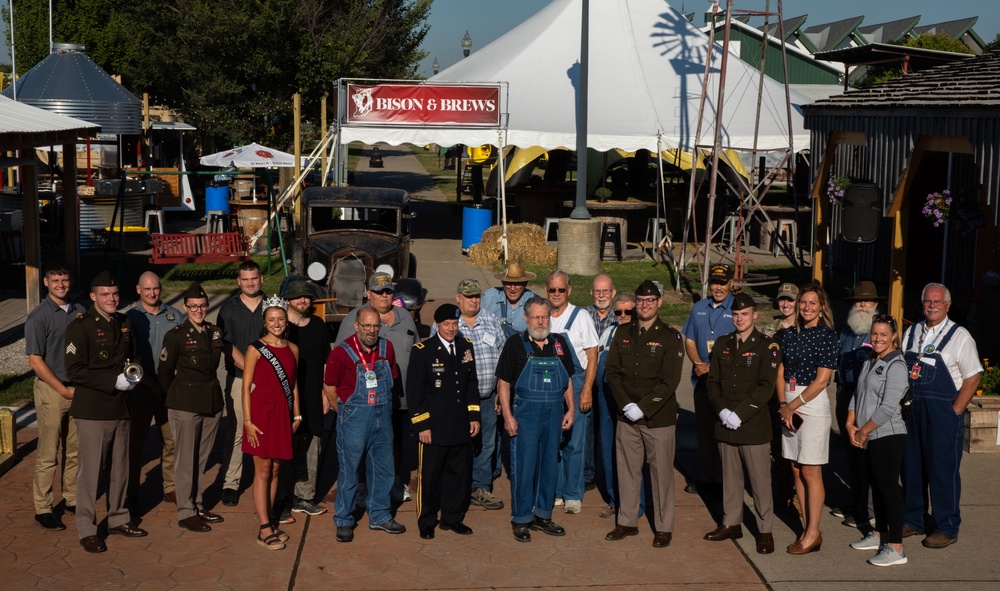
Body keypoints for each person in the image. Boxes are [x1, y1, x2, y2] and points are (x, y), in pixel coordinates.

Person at [65, 271, 147, 554]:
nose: (111, 299)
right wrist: (113, 381)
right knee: (90, 475)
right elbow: (74, 370)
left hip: (121, 407)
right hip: (93, 409)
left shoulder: (124, 323)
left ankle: (118, 518)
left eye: (114, 294)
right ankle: (87, 529)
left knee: (120, 469)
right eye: (105, 294)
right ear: (93, 297)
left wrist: (133, 375)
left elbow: (134, 355)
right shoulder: (81, 327)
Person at [900, 283, 982, 549]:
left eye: (937, 301)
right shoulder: (912, 331)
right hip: (913, 411)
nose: (932, 305)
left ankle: (946, 526)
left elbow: (973, 376)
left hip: (943, 412)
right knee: (912, 467)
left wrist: (955, 410)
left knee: (942, 470)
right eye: (928, 301)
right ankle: (914, 519)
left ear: (947, 305)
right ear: (922, 303)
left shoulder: (960, 337)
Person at [604, 280, 685, 549]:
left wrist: (644, 407)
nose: (645, 305)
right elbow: (612, 372)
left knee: (661, 473)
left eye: (650, 300)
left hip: (657, 418)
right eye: (640, 300)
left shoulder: (670, 337)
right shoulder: (623, 332)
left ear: (660, 302)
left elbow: (670, 381)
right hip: (627, 416)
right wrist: (626, 404)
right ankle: (626, 521)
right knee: (627, 470)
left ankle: (664, 527)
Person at [704, 293, 781, 555]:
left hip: (753, 426)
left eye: (745, 314)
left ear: (755, 315)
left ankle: (765, 530)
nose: (739, 318)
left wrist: (740, 413)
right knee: (730, 479)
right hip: (726, 423)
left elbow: (765, 387)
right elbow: (712, 381)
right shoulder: (723, 344)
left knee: (760, 483)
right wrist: (723, 411)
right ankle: (731, 523)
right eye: (736, 314)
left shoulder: (767, 346)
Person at [496, 296, 575, 542]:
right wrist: (508, 416)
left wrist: (570, 409)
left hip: (553, 414)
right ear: (526, 318)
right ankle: (521, 519)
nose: (540, 322)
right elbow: (504, 383)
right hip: (525, 415)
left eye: (544, 317)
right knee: (524, 467)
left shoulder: (559, 343)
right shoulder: (515, 344)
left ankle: (543, 515)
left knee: (549, 466)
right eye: (535, 317)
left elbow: (568, 380)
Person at [336, 272, 419, 502]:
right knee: (363, 444)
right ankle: (362, 485)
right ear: (368, 293)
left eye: (388, 291)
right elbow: (341, 357)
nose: (384, 295)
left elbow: (418, 351)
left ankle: (393, 481)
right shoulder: (355, 318)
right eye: (379, 291)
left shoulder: (406, 316)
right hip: (366, 399)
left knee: (398, 442)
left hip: (401, 397)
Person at [326, 306, 407, 542]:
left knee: (384, 468)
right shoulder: (341, 353)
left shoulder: (386, 347)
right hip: (354, 419)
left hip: (383, 416)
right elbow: (330, 387)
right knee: (349, 471)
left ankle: (380, 515)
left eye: (375, 326)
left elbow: (392, 381)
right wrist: (343, 413)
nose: (371, 331)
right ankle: (344, 519)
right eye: (366, 326)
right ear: (356, 326)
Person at [407, 304, 481, 539]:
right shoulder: (423, 350)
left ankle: (452, 517)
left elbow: (471, 384)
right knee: (429, 477)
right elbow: (415, 391)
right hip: (434, 427)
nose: (451, 328)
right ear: (437, 324)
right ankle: (426, 520)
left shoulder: (465, 347)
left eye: (454, 324)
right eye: (446, 324)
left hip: (459, 424)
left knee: (458, 475)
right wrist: (422, 425)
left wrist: (474, 416)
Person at [158, 283, 226, 533]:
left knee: (201, 458)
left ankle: (197, 504)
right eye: (193, 306)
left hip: (211, 401)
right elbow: (164, 372)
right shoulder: (175, 335)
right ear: (185, 308)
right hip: (185, 403)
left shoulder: (215, 331)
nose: (199, 310)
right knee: (185, 460)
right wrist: (176, 397)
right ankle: (186, 511)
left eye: (203, 305)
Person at [776, 283, 837, 555]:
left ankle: (813, 533)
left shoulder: (827, 336)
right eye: (803, 303)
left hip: (810, 405)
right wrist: (783, 404)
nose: (807, 307)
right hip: (788, 402)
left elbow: (822, 380)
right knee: (796, 468)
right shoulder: (787, 334)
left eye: (813, 303)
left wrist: (793, 406)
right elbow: (780, 371)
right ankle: (806, 527)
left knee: (811, 470)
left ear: (822, 307)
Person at [846, 314, 909, 567]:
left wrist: (863, 431)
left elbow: (887, 408)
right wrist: (851, 424)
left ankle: (896, 546)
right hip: (866, 433)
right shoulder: (871, 358)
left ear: (894, 336)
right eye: (875, 333)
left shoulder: (897, 365)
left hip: (888, 435)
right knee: (876, 486)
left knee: (889, 490)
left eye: (884, 334)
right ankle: (880, 533)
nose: (878, 338)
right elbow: (857, 395)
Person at [26, 261, 84, 531]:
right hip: (52, 390)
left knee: (74, 450)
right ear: (46, 283)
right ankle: (43, 507)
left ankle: (71, 498)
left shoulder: (80, 311)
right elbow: (35, 361)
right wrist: (62, 390)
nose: (61, 285)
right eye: (55, 281)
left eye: (65, 280)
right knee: (49, 453)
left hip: (78, 389)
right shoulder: (38, 317)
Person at [242, 296, 301, 550]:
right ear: (264, 322)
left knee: (277, 468)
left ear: (286, 321)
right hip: (260, 413)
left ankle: (271, 520)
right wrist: (247, 421)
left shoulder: (293, 349)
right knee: (263, 470)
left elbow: (293, 384)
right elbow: (245, 388)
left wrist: (297, 414)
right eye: (271, 320)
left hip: (283, 413)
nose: (276, 324)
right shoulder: (255, 348)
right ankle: (264, 527)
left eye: (280, 319)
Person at [444, 279, 506, 511]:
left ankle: (480, 487)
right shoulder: (448, 323)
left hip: (488, 397)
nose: (473, 300)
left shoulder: (491, 320)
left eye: (476, 296)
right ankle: (458, 486)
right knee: (459, 443)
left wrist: (501, 391)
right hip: (458, 400)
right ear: (458, 297)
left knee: (487, 443)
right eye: (468, 296)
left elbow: (503, 359)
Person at [124, 271, 182, 507]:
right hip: (140, 388)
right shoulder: (130, 318)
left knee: (171, 440)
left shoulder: (175, 316)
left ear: (161, 288)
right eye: (146, 289)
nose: (152, 293)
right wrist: (148, 383)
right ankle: (131, 490)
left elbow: (182, 353)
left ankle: (170, 487)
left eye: (155, 288)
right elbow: (126, 358)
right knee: (136, 443)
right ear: (138, 290)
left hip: (168, 389)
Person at [546, 270, 598, 514]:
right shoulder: (543, 316)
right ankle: (554, 491)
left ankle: (573, 494)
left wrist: (586, 389)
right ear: (546, 290)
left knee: (575, 442)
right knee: (552, 441)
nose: (556, 294)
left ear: (569, 290)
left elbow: (592, 354)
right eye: (552, 290)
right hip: (550, 385)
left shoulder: (581, 317)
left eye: (561, 290)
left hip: (576, 383)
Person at [682, 264, 735, 494]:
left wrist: (711, 367)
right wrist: (698, 364)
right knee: (704, 432)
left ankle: (725, 480)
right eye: (714, 282)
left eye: (723, 283)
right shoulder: (699, 308)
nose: (718, 287)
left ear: (731, 283)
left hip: (727, 383)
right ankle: (706, 477)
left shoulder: (738, 309)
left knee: (725, 433)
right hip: (702, 381)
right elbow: (690, 340)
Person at [216, 260, 264, 507]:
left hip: (269, 381)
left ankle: (265, 481)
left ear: (261, 279)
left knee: (267, 430)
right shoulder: (228, 309)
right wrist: (250, 368)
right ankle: (230, 483)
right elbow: (226, 344)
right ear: (238, 282)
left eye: (253, 278)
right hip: (239, 378)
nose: (250, 283)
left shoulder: (272, 306)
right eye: (245, 279)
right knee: (236, 431)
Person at [835, 281, 882, 530]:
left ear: (875, 304)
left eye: (867, 301)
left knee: (866, 455)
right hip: (844, 394)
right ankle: (857, 503)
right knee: (851, 455)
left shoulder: (879, 330)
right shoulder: (847, 328)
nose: (862, 305)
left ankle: (870, 511)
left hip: (866, 399)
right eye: (858, 301)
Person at [284, 280, 332, 517]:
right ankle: (281, 498)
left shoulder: (318, 325)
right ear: (287, 300)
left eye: (306, 296)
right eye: (297, 297)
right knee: (285, 447)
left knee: (312, 445)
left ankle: (304, 497)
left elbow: (325, 362)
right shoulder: (280, 327)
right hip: (286, 398)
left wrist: (325, 393)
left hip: (312, 396)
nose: (302, 300)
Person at [594, 292, 635, 519]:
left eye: (628, 311)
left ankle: (634, 504)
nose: (623, 316)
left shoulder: (640, 335)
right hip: (605, 398)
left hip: (629, 402)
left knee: (630, 455)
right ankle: (614, 499)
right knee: (608, 450)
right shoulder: (608, 333)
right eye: (618, 312)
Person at [583, 274, 617, 490]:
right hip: (587, 378)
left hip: (610, 382)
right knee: (587, 428)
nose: (602, 295)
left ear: (613, 293)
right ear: (591, 293)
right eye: (598, 291)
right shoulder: (583, 315)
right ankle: (588, 474)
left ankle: (608, 473)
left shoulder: (622, 314)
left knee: (608, 429)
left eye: (606, 291)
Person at [481, 260, 538, 338]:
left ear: (525, 284)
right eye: (508, 283)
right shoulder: (490, 297)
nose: (512, 288)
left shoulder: (534, 301)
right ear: (503, 282)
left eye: (517, 284)